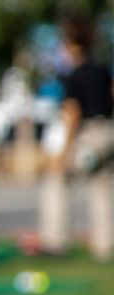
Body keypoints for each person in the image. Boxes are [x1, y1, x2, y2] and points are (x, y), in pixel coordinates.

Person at [39, 13, 114, 262]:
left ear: (70, 43)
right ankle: (105, 247)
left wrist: (62, 154)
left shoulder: (73, 75)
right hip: (108, 135)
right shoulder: (102, 70)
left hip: (88, 138)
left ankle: (54, 240)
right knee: (101, 186)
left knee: (57, 178)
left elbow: (72, 114)